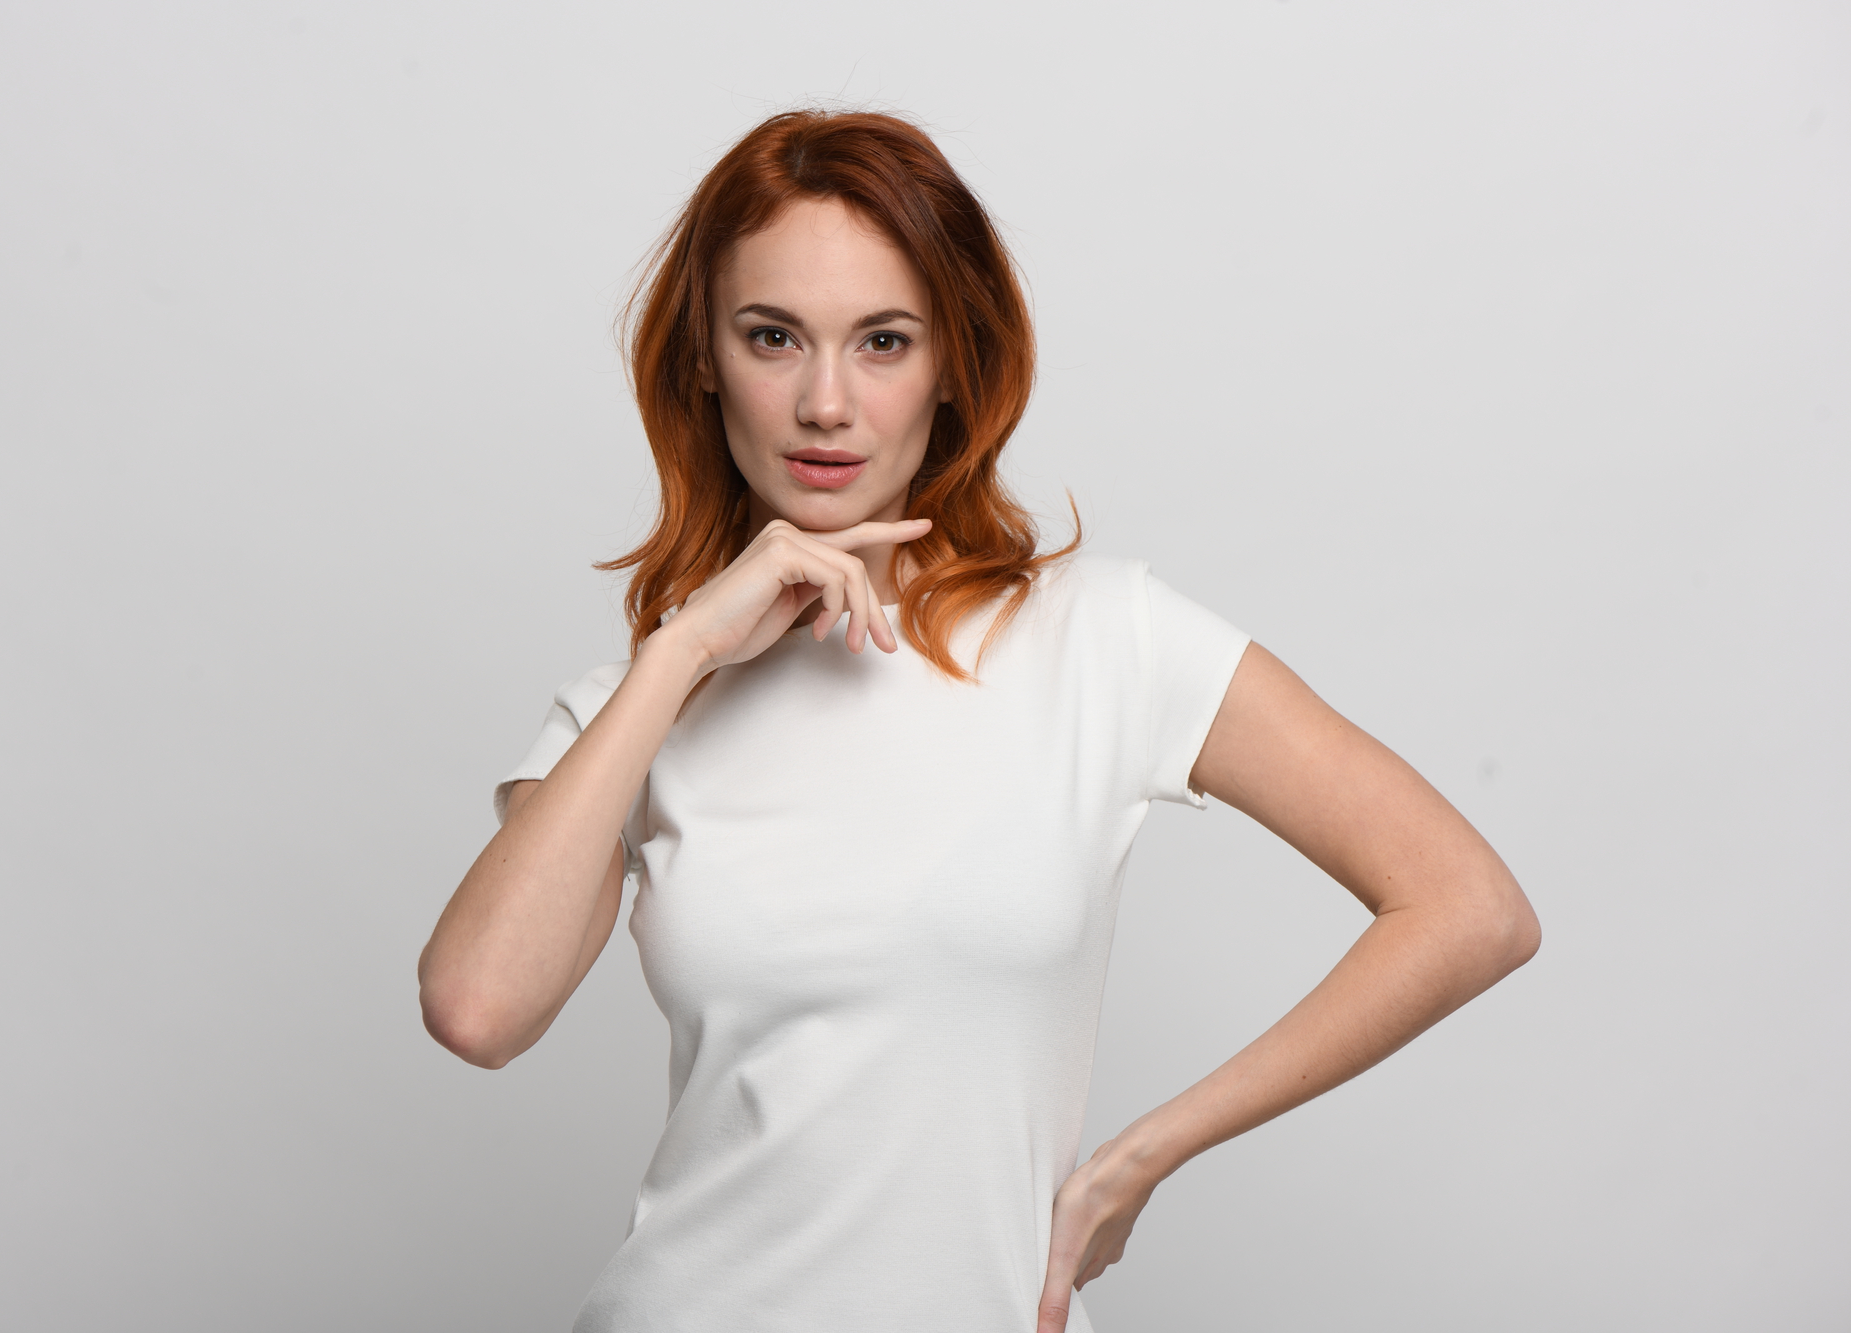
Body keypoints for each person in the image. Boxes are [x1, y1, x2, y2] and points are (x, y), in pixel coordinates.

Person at [417, 109, 1539, 1333]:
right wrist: (680, 649)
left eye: (881, 340)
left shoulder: (1102, 641)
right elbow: (476, 1010)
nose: (824, 401)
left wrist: (1142, 1155)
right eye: (771, 337)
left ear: (953, 361)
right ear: (703, 360)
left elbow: (1467, 907)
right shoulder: (630, 715)